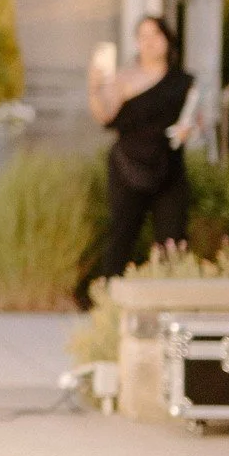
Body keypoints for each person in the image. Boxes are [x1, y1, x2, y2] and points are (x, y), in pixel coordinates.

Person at [89, 14, 197, 280]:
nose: (149, 42)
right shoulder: (125, 78)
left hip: (168, 167)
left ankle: (170, 300)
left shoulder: (183, 81)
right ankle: (108, 297)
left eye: (155, 35)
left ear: (167, 39)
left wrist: (190, 129)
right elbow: (106, 116)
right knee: (122, 235)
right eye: (143, 37)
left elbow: (195, 120)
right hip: (129, 166)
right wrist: (94, 87)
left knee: (172, 240)